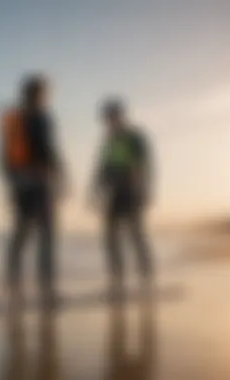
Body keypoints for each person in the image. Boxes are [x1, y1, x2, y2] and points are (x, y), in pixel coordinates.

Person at [0, 74, 65, 307]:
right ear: (34, 94)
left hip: (36, 184)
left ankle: (40, 291)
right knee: (29, 237)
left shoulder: (37, 118)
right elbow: (6, 156)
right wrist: (15, 183)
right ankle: (22, 291)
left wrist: (61, 178)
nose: (45, 98)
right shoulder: (17, 118)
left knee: (37, 238)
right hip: (31, 185)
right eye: (42, 93)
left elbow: (51, 151)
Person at [89, 97, 154, 296]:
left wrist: (145, 190)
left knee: (136, 236)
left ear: (119, 116)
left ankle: (146, 279)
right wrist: (94, 192)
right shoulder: (109, 141)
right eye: (106, 118)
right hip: (114, 195)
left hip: (131, 193)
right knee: (111, 239)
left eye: (110, 116)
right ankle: (117, 281)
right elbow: (101, 169)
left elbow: (145, 165)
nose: (108, 121)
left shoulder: (134, 137)